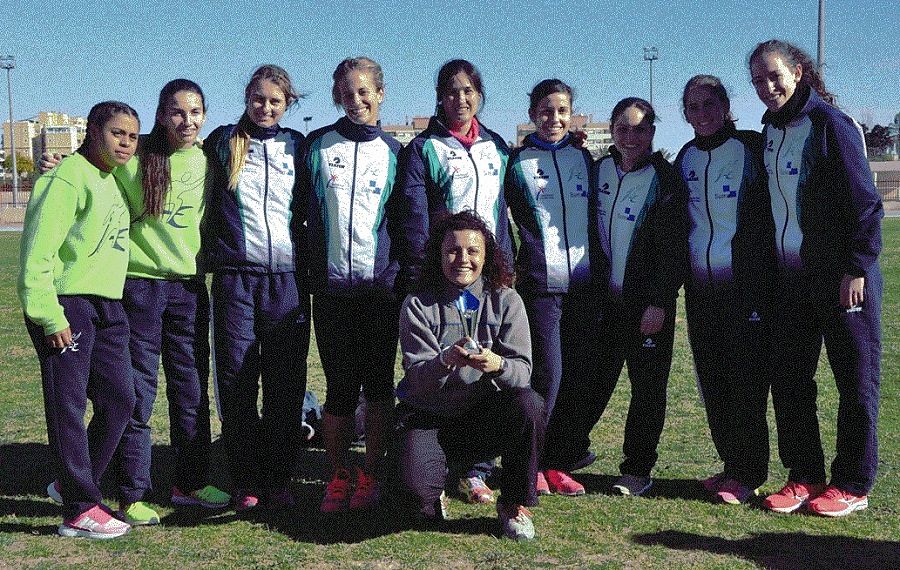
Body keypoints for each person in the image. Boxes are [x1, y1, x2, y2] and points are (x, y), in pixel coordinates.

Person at [748, 39, 883, 517]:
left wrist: (857, 267)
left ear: (798, 72)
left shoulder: (832, 124)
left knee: (855, 379)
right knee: (790, 379)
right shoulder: (769, 131)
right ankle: (804, 475)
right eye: (758, 81)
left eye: (774, 76)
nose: (767, 87)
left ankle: (852, 483)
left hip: (844, 278)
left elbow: (866, 204)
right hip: (790, 281)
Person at [542, 97, 686, 497]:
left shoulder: (666, 178)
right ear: (612, 131)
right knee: (588, 380)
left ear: (652, 133)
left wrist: (659, 300)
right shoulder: (597, 169)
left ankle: (638, 468)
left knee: (647, 389)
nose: (631, 137)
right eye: (622, 128)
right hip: (603, 304)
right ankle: (568, 452)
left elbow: (675, 248)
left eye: (640, 129)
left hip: (648, 307)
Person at [19, 101, 139, 539]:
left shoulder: (110, 179)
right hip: (67, 304)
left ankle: (68, 484)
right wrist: (49, 315)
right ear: (92, 131)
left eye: (131, 135)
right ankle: (79, 509)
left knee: (121, 401)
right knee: (68, 408)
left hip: (108, 305)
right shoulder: (66, 177)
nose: (125, 142)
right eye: (116, 133)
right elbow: (37, 253)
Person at [397, 59, 513, 503]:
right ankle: (431, 458)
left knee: (488, 368)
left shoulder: (498, 147)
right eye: (450, 91)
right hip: (440, 280)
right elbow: (413, 220)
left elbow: (507, 214)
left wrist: (505, 271)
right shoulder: (423, 148)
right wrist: (422, 276)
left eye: (468, 91)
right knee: (440, 368)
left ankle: (476, 469)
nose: (460, 99)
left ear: (479, 94)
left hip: (487, 280)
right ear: (439, 98)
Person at [396, 210, 543, 541]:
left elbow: (523, 373)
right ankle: (438, 483)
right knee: (416, 507)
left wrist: (498, 364)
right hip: (430, 417)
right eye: (453, 250)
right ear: (438, 254)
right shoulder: (418, 304)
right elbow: (417, 380)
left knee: (529, 405)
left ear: (486, 255)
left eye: (472, 250)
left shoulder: (506, 301)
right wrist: (444, 360)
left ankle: (514, 505)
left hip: (480, 419)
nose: (462, 259)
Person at [204, 64, 310, 510]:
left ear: (287, 105)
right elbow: (160, 150)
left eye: (276, 101)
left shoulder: (299, 147)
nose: (266, 108)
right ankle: (246, 477)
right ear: (247, 96)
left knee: (286, 383)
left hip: (287, 282)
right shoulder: (222, 141)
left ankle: (278, 475)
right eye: (259, 99)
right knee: (237, 381)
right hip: (236, 281)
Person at [302, 57, 403, 513]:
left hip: (380, 291)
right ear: (335, 96)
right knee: (341, 386)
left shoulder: (398, 153)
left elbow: (404, 224)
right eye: (346, 92)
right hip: (332, 292)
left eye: (364, 91)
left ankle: (373, 471)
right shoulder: (318, 146)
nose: (356, 100)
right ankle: (339, 473)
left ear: (380, 93)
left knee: (380, 385)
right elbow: (299, 215)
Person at [674, 74, 773, 504]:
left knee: (745, 381)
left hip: (747, 289)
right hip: (701, 289)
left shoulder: (751, 147)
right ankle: (731, 465)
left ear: (726, 105)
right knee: (712, 380)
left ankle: (750, 472)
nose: (702, 114)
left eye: (709, 104)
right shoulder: (686, 157)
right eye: (693, 108)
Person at [504, 79, 594, 496]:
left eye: (561, 110)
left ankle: (558, 460)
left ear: (571, 113)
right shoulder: (516, 161)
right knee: (548, 378)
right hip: (540, 287)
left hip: (586, 287)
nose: (554, 119)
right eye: (545, 110)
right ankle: (531, 462)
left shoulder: (586, 159)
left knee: (577, 377)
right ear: (532, 114)